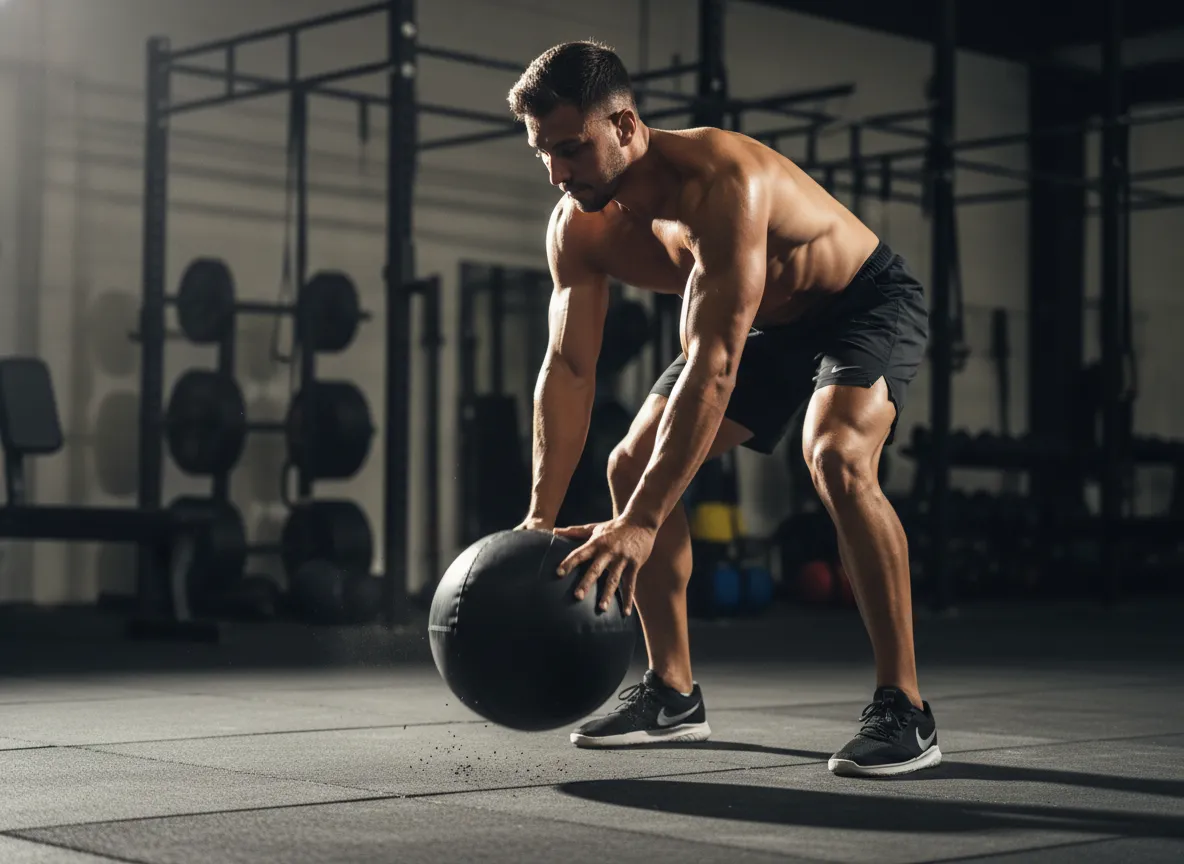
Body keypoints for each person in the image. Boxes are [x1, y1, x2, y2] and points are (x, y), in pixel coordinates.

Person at [507, 40, 938, 778]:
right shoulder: (576, 225)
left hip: (859, 305)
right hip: (761, 327)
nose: (557, 172)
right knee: (632, 460)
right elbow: (570, 367)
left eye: (571, 148)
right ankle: (672, 695)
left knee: (835, 455)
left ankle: (907, 707)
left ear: (625, 125)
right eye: (542, 152)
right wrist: (538, 523)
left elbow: (714, 366)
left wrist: (640, 525)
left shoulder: (721, 182)